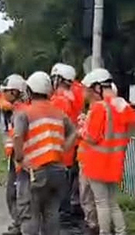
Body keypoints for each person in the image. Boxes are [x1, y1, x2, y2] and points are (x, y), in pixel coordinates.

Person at [4, 71, 78, 235]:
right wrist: (62, 150)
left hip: (35, 170)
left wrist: (20, 158)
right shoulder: (58, 113)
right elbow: (73, 132)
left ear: (29, 90)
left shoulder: (25, 113)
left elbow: (18, 136)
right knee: (51, 210)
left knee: (30, 207)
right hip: (58, 170)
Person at [79, 68, 135, 235]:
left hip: (98, 162)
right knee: (112, 202)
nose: (88, 93)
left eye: (90, 89)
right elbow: (132, 123)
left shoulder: (99, 108)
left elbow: (91, 137)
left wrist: (81, 128)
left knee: (101, 202)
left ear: (97, 88)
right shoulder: (120, 104)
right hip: (115, 161)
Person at [50, 63, 84, 226]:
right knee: (70, 179)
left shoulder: (60, 99)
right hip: (73, 143)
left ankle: (64, 211)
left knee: (64, 181)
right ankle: (69, 207)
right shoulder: (74, 94)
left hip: (63, 146)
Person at [1, 75, 29, 235]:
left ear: (15, 92)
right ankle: (18, 224)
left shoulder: (21, 112)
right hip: (16, 158)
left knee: (16, 194)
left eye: (6, 91)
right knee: (15, 193)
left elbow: (18, 136)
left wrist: (18, 158)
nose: (3, 94)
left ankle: (19, 226)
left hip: (20, 160)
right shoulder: (17, 110)